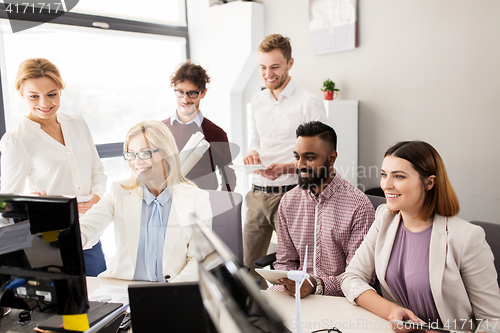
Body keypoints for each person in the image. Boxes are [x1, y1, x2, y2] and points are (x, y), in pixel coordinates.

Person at [341, 141, 500, 333]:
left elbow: (493, 321)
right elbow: (351, 278)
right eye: (384, 175)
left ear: (429, 182)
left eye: (399, 176)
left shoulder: (466, 237)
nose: (386, 185)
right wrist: (392, 310)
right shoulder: (385, 219)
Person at [0, 58, 107, 277]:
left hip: (89, 234)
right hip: (51, 243)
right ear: (21, 94)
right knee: (65, 309)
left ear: (60, 90)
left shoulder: (77, 122)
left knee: (104, 302)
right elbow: (7, 202)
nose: (44, 103)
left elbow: (98, 171)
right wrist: (33, 200)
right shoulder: (17, 139)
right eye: (33, 96)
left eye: (52, 94)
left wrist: (95, 197)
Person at [79, 121, 212, 282]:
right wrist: (52, 237)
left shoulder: (196, 198)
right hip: (122, 289)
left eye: (145, 153)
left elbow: (198, 260)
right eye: (131, 154)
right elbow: (84, 229)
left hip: (172, 290)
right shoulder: (119, 192)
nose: (137, 162)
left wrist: (171, 292)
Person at [243, 34, 328, 286]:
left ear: (290, 63)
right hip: (257, 195)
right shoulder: (257, 101)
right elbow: (255, 141)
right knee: (250, 270)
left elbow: (321, 157)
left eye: (275, 67)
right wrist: (252, 153)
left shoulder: (308, 102)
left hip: (292, 193)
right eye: (263, 67)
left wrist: (286, 168)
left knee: (299, 268)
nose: (268, 74)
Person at [269, 121, 375, 298]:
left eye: (309, 158)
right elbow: (285, 261)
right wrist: (287, 281)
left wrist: (315, 286)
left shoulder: (359, 206)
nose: (300, 165)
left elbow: (359, 277)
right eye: (297, 157)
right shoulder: (288, 201)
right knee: (257, 314)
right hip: (296, 293)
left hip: (341, 297)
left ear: (332, 158)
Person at [163, 62, 236, 191]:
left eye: (192, 93)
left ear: (203, 93)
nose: (185, 99)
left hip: (204, 207)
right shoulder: (161, 130)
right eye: (180, 92)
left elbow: (228, 176)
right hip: (169, 205)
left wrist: (219, 206)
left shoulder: (216, 133)